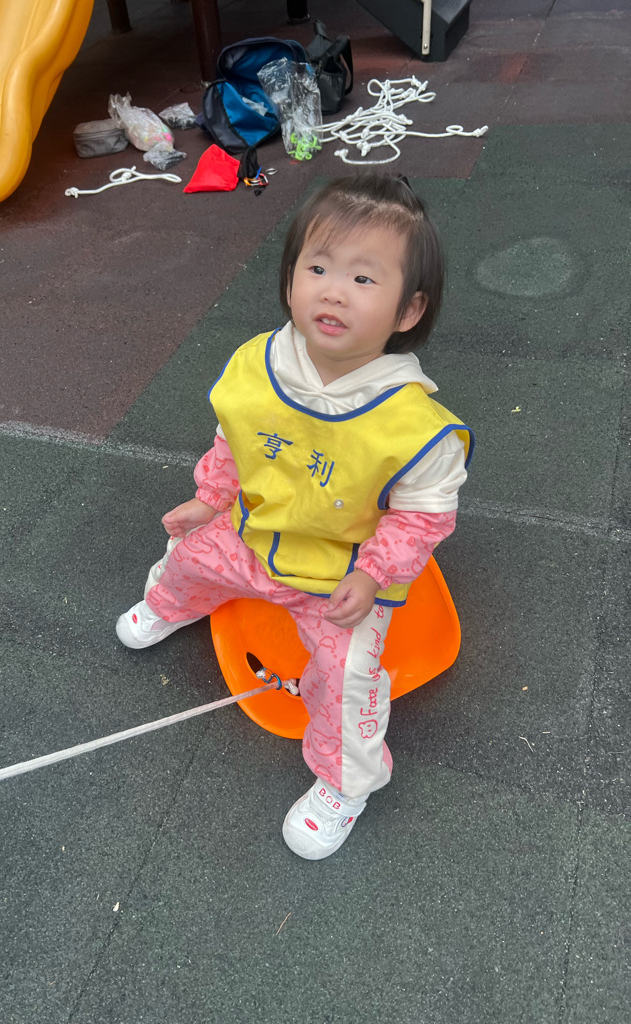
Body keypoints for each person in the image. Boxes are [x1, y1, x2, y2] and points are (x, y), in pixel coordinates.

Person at [116, 173, 473, 860]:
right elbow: (233, 439)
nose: (333, 291)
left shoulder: (418, 428)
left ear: (408, 310)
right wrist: (210, 498)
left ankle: (346, 784)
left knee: (349, 681)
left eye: (363, 279)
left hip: (337, 576)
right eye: (317, 268)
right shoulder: (259, 361)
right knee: (188, 556)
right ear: (290, 279)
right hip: (253, 535)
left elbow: (423, 519)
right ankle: (168, 604)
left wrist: (373, 576)